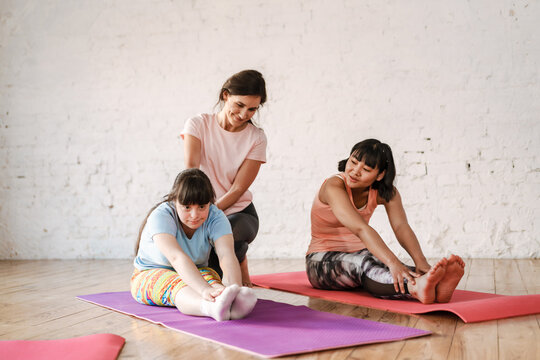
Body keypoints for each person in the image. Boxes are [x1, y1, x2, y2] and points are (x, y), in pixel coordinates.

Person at [306, 139, 465, 304]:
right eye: (353, 162)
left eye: (366, 169)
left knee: (396, 269)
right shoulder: (334, 186)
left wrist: (420, 262)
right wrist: (392, 261)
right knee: (366, 264)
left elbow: (401, 226)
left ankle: (437, 287)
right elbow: (360, 228)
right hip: (320, 261)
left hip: (359, 253)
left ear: (380, 174)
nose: (355, 171)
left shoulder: (386, 193)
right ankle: (415, 288)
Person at [131, 169, 257, 321]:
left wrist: (233, 288)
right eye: (187, 207)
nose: (194, 215)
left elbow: (226, 255)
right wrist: (204, 290)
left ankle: (231, 305)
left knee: (214, 283)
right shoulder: (162, 215)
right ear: (175, 200)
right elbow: (176, 257)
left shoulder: (215, 216)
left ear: (209, 203)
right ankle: (210, 308)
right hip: (151, 273)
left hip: (197, 271)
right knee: (175, 285)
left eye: (202, 207)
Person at [181, 69, 268, 287]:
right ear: (225, 95)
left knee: (225, 231)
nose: (243, 114)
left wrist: (210, 213)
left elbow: (238, 189)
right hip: (200, 208)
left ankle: (235, 263)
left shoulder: (256, 138)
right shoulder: (198, 124)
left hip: (239, 213)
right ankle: (239, 263)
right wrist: (197, 212)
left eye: (252, 109)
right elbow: (191, 171)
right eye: (239, 105)